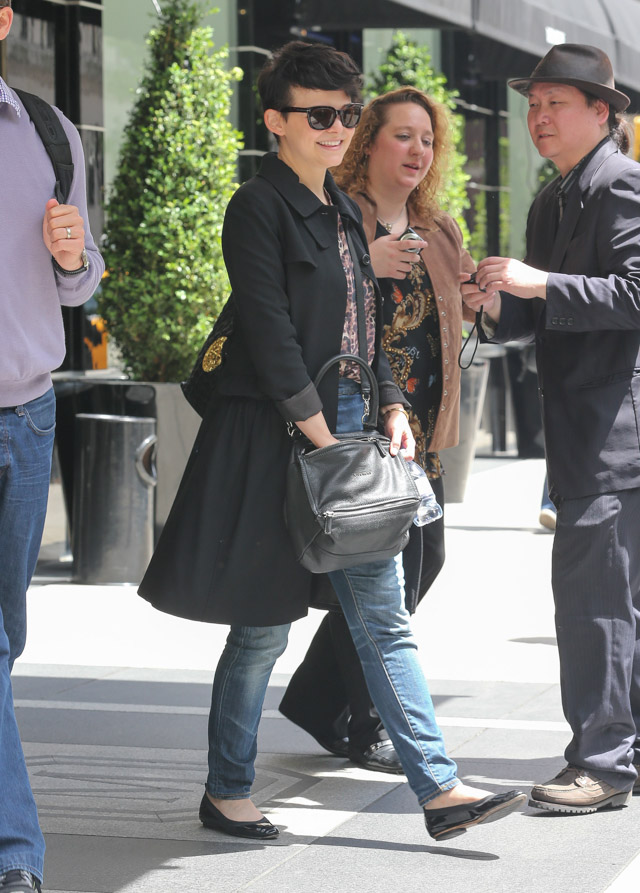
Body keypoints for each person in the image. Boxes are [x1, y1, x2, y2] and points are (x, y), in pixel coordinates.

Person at [139, 40, 524, 842]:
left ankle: (440, 788)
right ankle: (227, 788)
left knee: (382, 616)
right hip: (277, 436)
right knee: (265, 624)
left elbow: (371, 327)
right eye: (320, 115)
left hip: (348, 430)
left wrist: (387, 406)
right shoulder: (257, 206)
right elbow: (273, 333)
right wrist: (322, 435)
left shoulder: (345, 211)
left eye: (347, 114)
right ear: (277, 120)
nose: (337, 128)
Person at [462, 43, 640, 814]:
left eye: (555, 104)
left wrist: (544, 281)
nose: (538, 117)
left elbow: (634, 292)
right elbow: (538, 315)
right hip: (580, 431)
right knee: (610, 599)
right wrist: (494, 304)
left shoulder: (620, 183)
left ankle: (601, 762)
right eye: (532, 105)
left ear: (603, 113)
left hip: (614, 435)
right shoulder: (553, 197)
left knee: (593, 602)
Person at [279, 87, 477, 774]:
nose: (418, 150)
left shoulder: (441, 230)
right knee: (389, 577)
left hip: (419, 432)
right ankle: (360, 720)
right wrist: (370, 260)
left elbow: (459, 321)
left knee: (427, 563)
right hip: (363, 427)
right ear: (369, 142)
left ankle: (316, 696)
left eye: (428, 139)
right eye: (403, 136)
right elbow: (311, 298)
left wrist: (478, 297)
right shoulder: (341, 217)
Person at [0, 3, 105, 891]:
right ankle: (16, 857)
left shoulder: (47, 129)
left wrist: (73, 257)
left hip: (29, 414)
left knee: (7, 635)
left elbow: (81, 281)